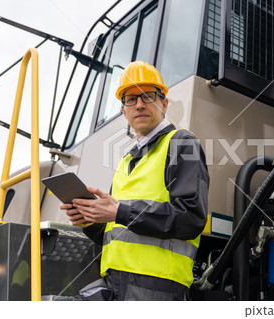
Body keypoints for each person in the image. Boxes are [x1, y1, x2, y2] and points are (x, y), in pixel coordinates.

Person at [60, 61, 209, 301]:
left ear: (164, 104)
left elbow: (191, 217)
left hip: (157, 287)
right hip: (117, 282)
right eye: (131, 99)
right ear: (124, 111)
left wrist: (119, 211)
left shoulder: (181, 142)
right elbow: (117, 230)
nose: (139, 104)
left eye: (147, 96)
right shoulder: (126, 160)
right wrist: (90, 221)